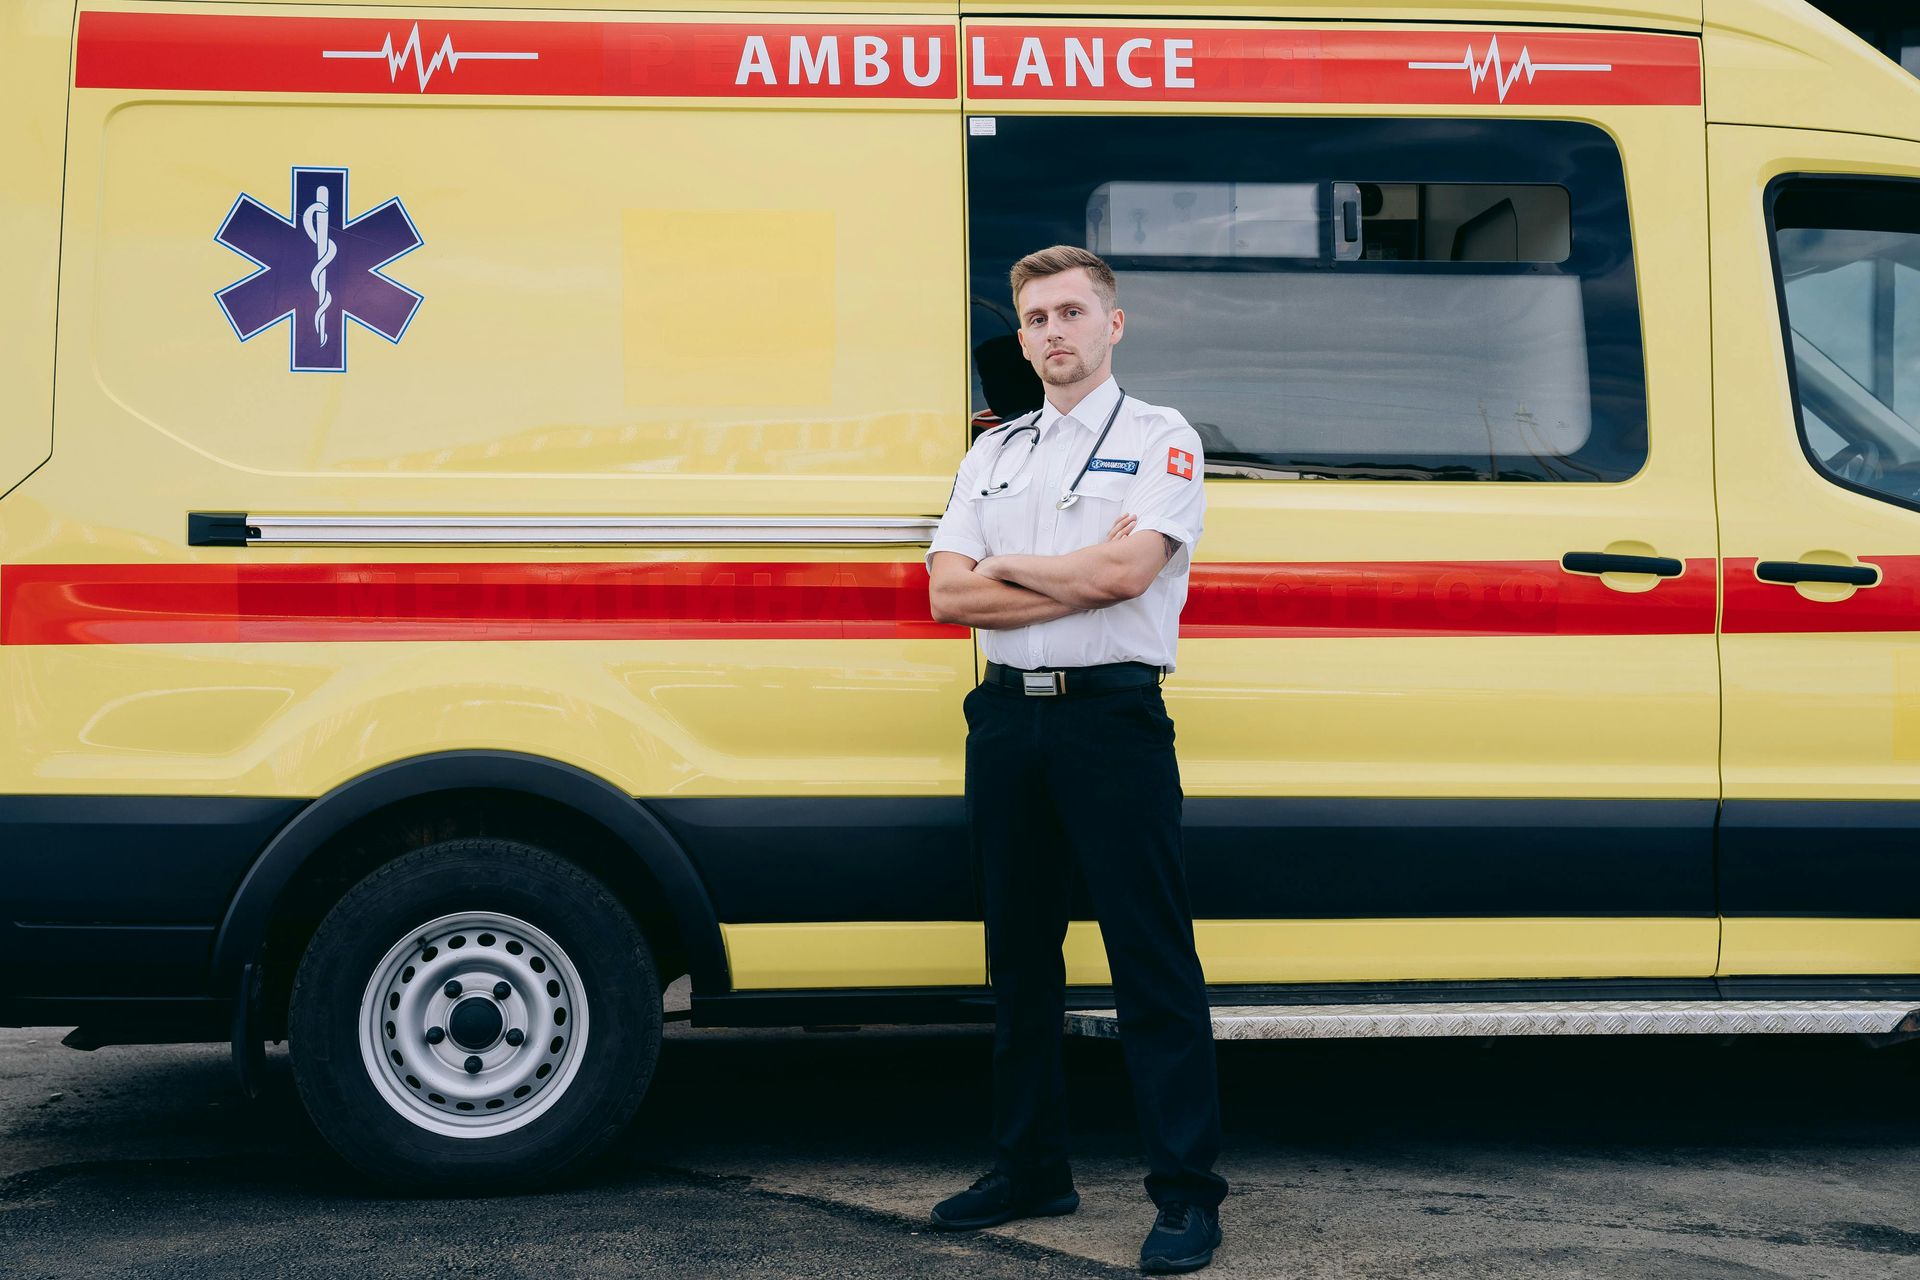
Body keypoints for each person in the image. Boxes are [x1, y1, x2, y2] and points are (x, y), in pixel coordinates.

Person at [924, 245, 1227, 1275]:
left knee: (1151, 962)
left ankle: (1186, 1194)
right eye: (1036, 318)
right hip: (1008, 723)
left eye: (1070, 312)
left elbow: (1131, 570)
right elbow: (949, 596)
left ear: (1113, 324)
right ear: (1021, 338)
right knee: (1019, 961)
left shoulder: (1162, 439)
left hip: (1111, 722)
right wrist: (1062, 576)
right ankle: (1030, 1167)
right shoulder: (995, 449)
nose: (1053, 331)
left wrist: (1008, 563)